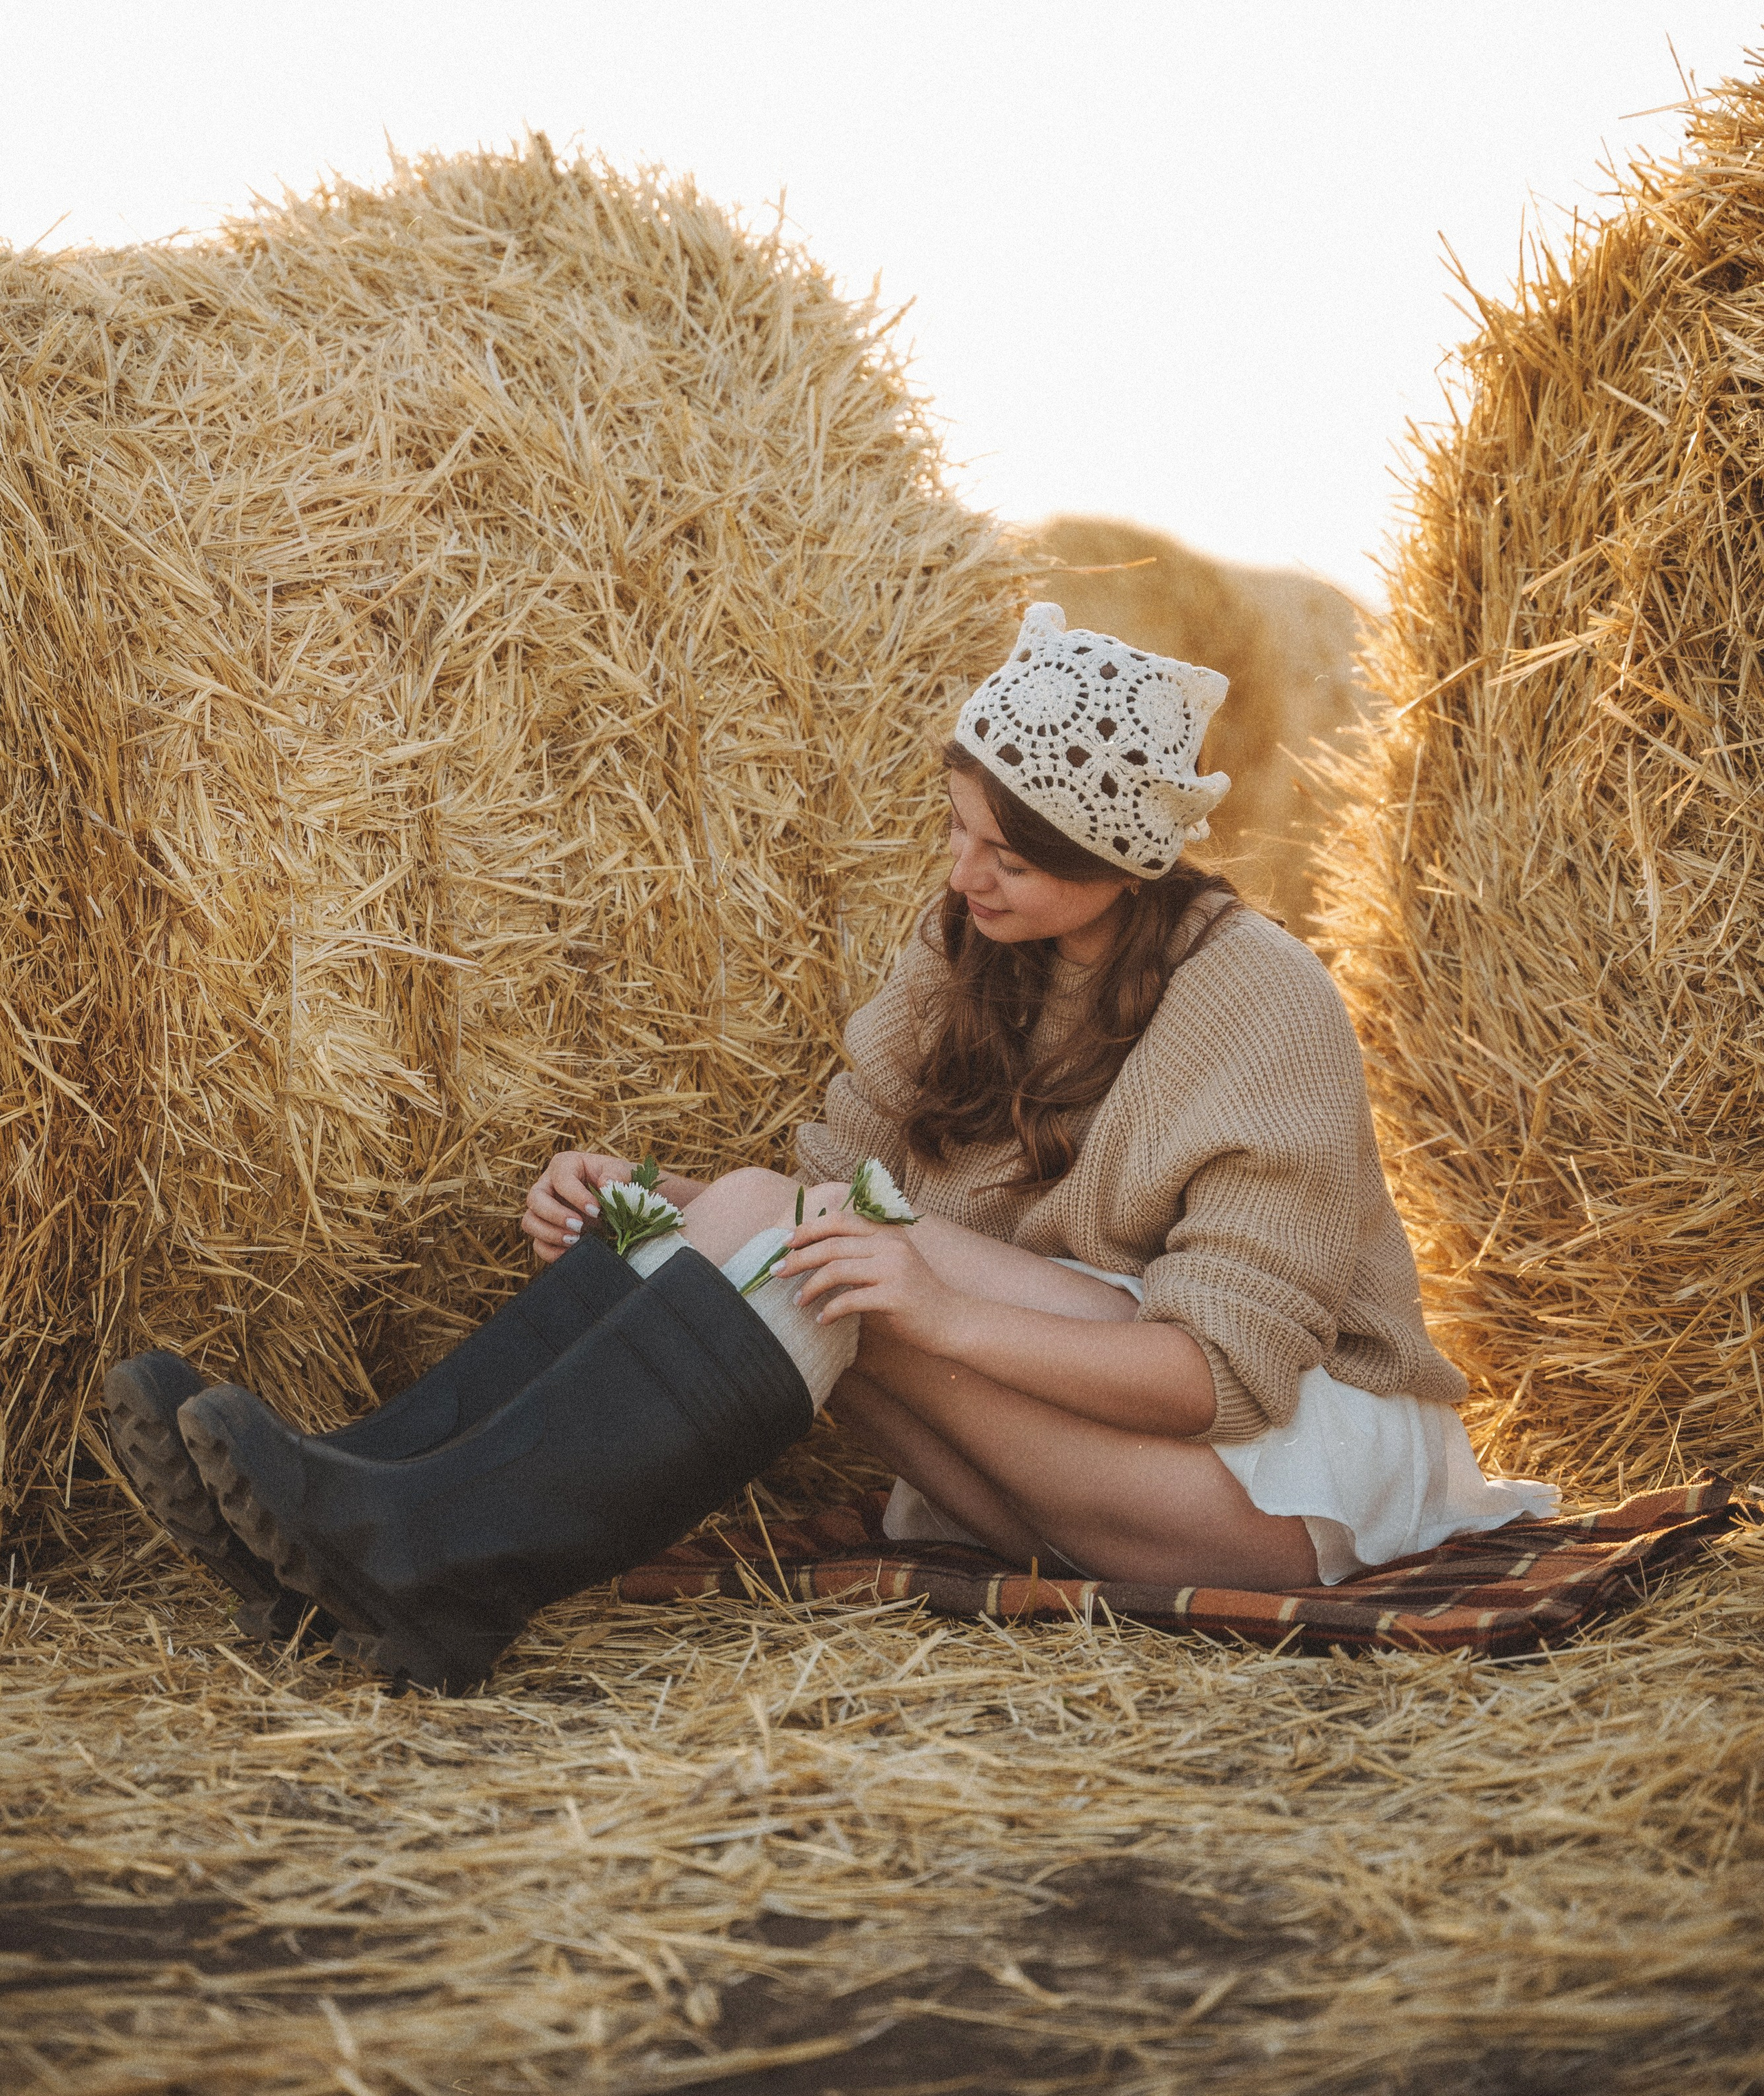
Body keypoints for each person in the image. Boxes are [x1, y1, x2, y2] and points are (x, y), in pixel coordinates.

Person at [111, 604, 1555, 1691]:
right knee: (758, 1216)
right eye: (954, 828)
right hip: (1065, 1428)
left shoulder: (1262, 1002)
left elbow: (1214, 1377)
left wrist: (925, 1300)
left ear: (1121, 862)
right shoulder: (962, 944)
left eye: (1007, 852)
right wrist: (639, 1215)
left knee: (806, 1238)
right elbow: (802, 1201)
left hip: (1279, 1478)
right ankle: (355, 1499)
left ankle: (423, 1550)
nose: (960, 872)